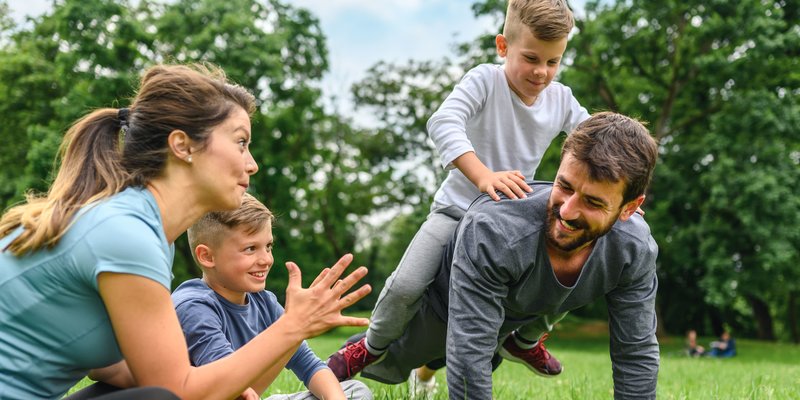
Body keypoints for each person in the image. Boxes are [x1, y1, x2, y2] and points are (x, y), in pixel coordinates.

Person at [0, 64, 371, 400]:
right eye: (241, 142)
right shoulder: (126, 233)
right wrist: (292, 327)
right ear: (183, 146)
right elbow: (176, 392)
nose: (252, 164)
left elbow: (108, 367)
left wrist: (223, 384)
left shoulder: (149, 234)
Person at [328, 0, 589, 385]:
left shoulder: (561, 99)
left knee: (571, 269)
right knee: (406, 286)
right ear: (503, 47)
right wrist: (483, 176)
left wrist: (620, 196)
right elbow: (444, 121)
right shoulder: (486, 80)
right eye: (531, 58)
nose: (541, 72)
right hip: (456, 212)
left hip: (511, 221)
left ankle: (525, 340)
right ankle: (371, 345)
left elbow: (594, 142)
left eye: (553, 62)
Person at [341, 112, 661, 400]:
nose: (567, 210)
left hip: (514, 318)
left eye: (593, 202)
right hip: (443, 306)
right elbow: (470, 350)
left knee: (482, 352)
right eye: (564, 186)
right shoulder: (496, 229)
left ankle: (513, 344)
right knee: (406, 354)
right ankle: (350, 356)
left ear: (629, 208)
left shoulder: (633, 249)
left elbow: (635, 352)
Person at [172, 193, 372, 400]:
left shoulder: (264, 301)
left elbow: (310, 365)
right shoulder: (194, 306)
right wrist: (294, 327)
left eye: (268, 246)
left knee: (354, 391)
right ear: (207, 256)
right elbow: (232, 392)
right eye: (250, 249)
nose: (266, 259)